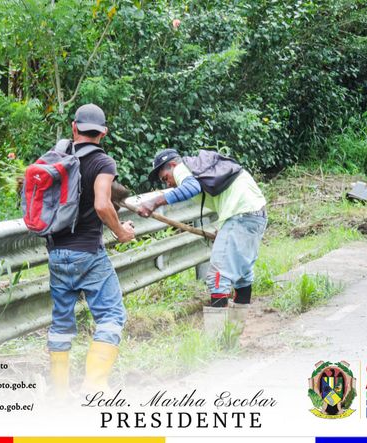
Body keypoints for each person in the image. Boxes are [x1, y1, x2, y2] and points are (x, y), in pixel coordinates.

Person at [47, 103, 135, 395]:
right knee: (111, 316)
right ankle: (94, 386)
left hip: (56, 254)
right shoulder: (103, 162)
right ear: (103, 133)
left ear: (74, 127)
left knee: (61, 323)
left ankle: (59, 394)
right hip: (87, 253)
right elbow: (101, 204)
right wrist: (121, 231)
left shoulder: (57, 158)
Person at [137, 149, 267, 328]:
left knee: (217, 277)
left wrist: (154, 202)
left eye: (166, 178)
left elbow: (191, 188)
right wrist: (225, 230)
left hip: (241, 215)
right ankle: (236, 331)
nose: (168, 184)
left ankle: (217, 337)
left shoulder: (182, 168)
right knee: (242, 275)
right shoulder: (201, 168)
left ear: (173, 165)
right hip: (255, 214)